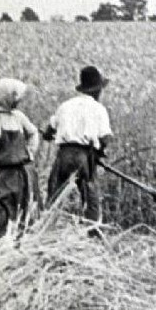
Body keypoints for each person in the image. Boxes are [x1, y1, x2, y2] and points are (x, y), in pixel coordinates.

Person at [0, 78, 41, 254]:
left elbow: (33, 133)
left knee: (19, 213)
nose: (19, 101)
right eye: (16, 96)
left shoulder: (19, 118)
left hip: (19, 175)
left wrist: (30, 153)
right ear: (6, 96)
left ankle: (14, 251)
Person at [44, 66, 113, 222]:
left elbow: (49, 131)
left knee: (55, 193)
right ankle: (93, 230)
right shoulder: (99, 109)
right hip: (84, 156)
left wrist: (50, 135)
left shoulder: (65, 105)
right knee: (90, 195)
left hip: (64, 154)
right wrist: (100, 152)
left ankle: (47, 227)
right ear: (97, 90)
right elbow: (105, 138)